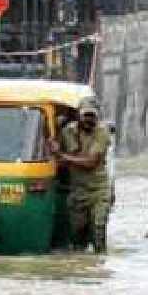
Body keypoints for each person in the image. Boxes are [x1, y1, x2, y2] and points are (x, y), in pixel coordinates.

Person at [51, 98, 113, 252]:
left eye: (92, 116)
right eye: (86, 115)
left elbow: (91, 162)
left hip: (99, 189)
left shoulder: (102, 132)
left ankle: (99, 262)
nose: (89, 120)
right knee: (77, 236)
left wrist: (62, 156)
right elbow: (55, 151)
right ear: (78, 115)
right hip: (77, 190)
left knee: (99, 229)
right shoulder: (68, 131)